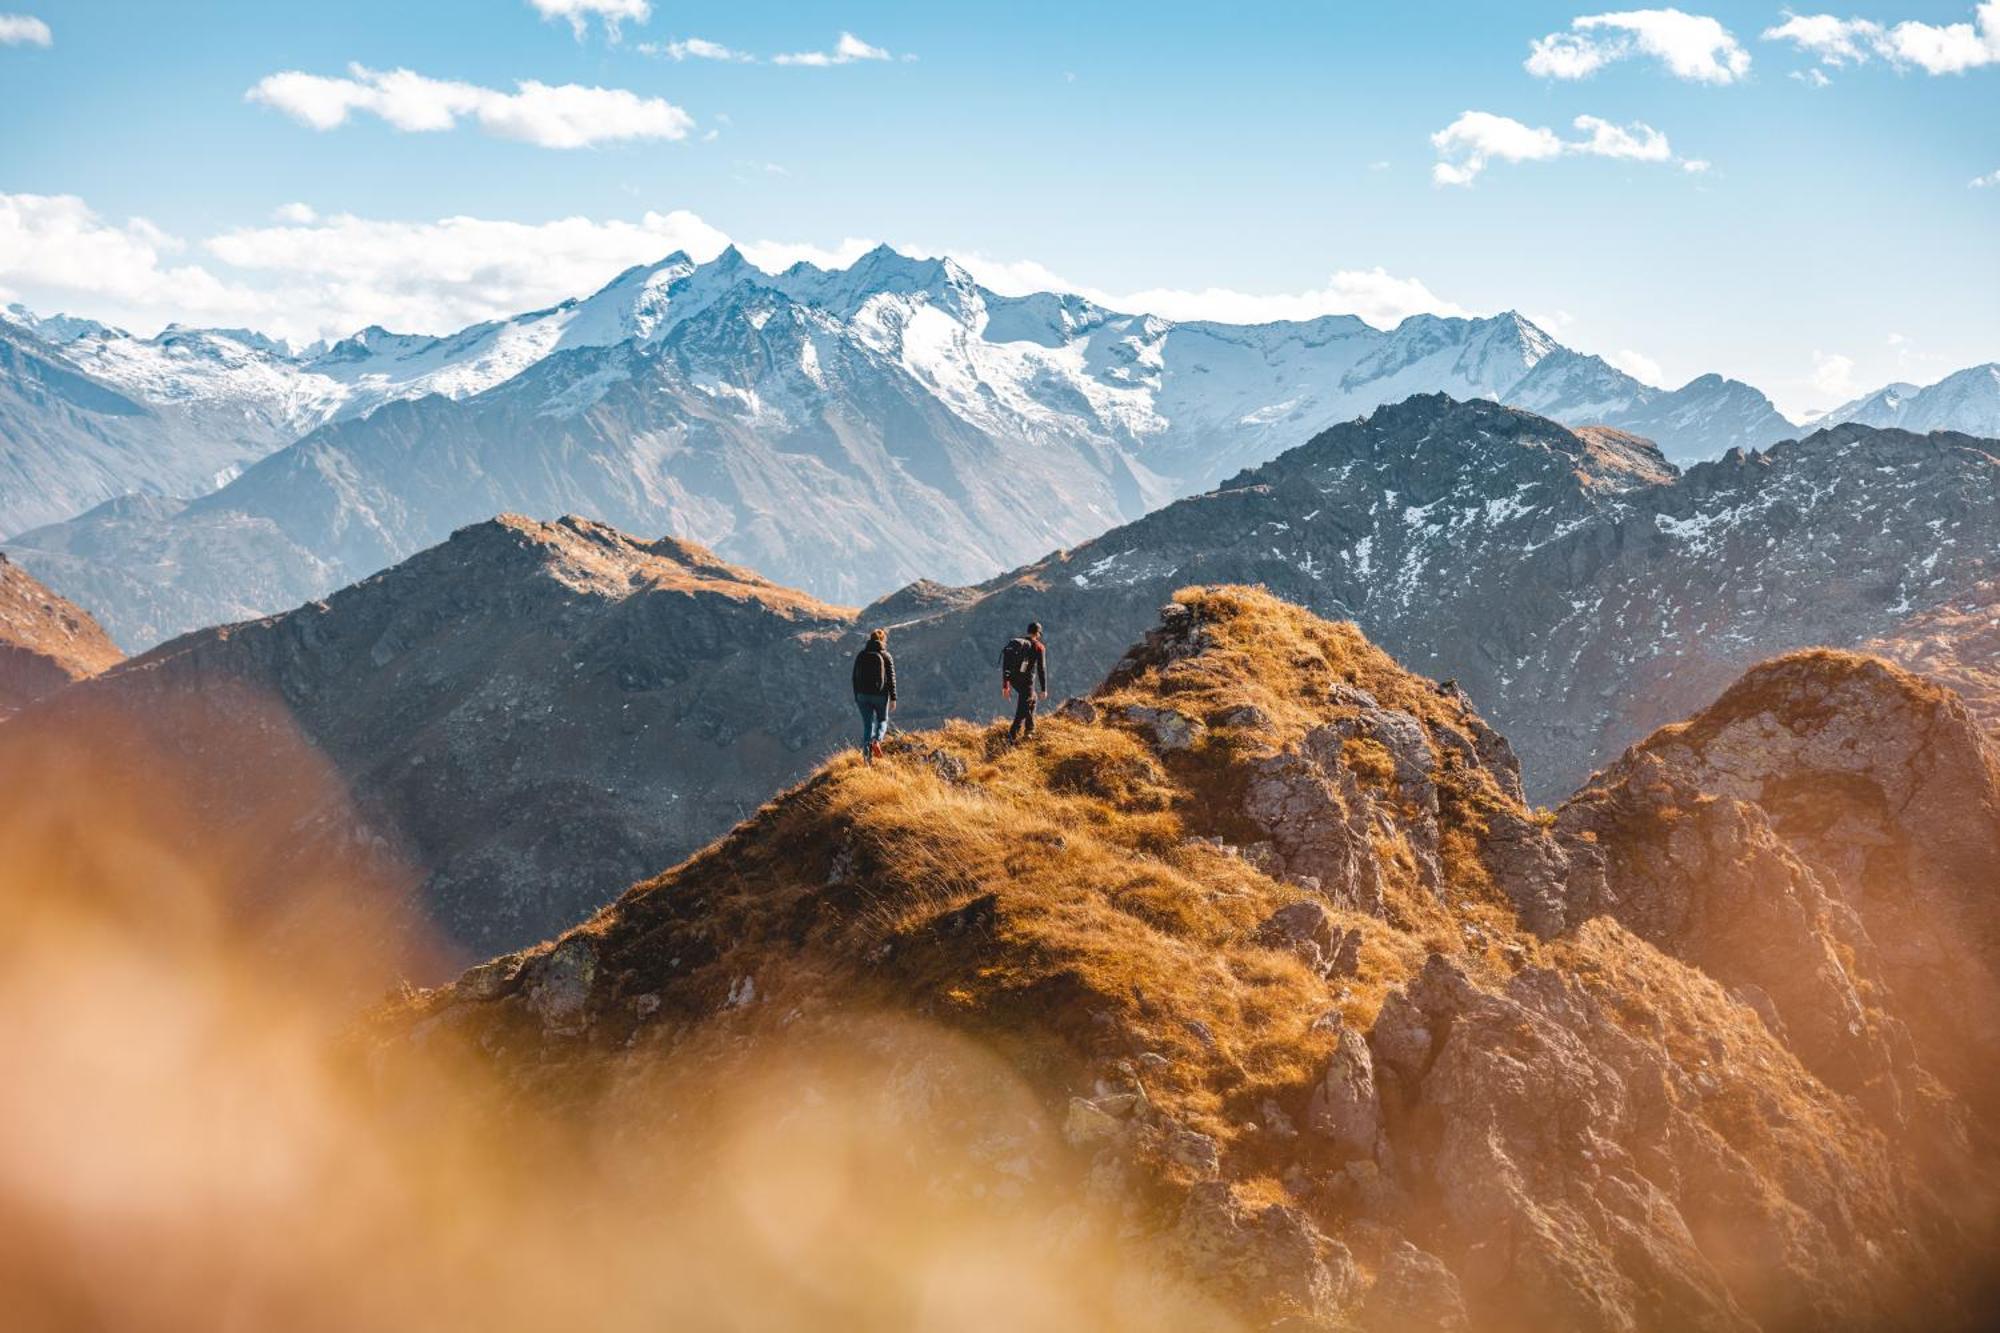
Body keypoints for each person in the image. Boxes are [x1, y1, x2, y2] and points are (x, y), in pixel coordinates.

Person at [851, 628, 897, 761]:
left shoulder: (861, 655)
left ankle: (867, 758)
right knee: (882, 720)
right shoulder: (886, 656)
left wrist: (857, 696)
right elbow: (891, 678)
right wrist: (893, 698)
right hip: (880, 695)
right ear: (883, 640)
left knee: (867, 725)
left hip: (862, 696)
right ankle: (877, 741)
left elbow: (854, 677)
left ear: (870, 639)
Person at [1000, 622, 1048, 742]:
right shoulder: (1039, 647)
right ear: (1038, 633)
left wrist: (1006, 685)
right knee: (1023, 709)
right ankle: (1011, 738)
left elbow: (1006, 664)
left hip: (1014, 680)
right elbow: (1041, 669)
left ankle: (1029, 730)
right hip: (1027, 682)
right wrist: (1044, 689)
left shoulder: (1017, 644)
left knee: (1032, 699)